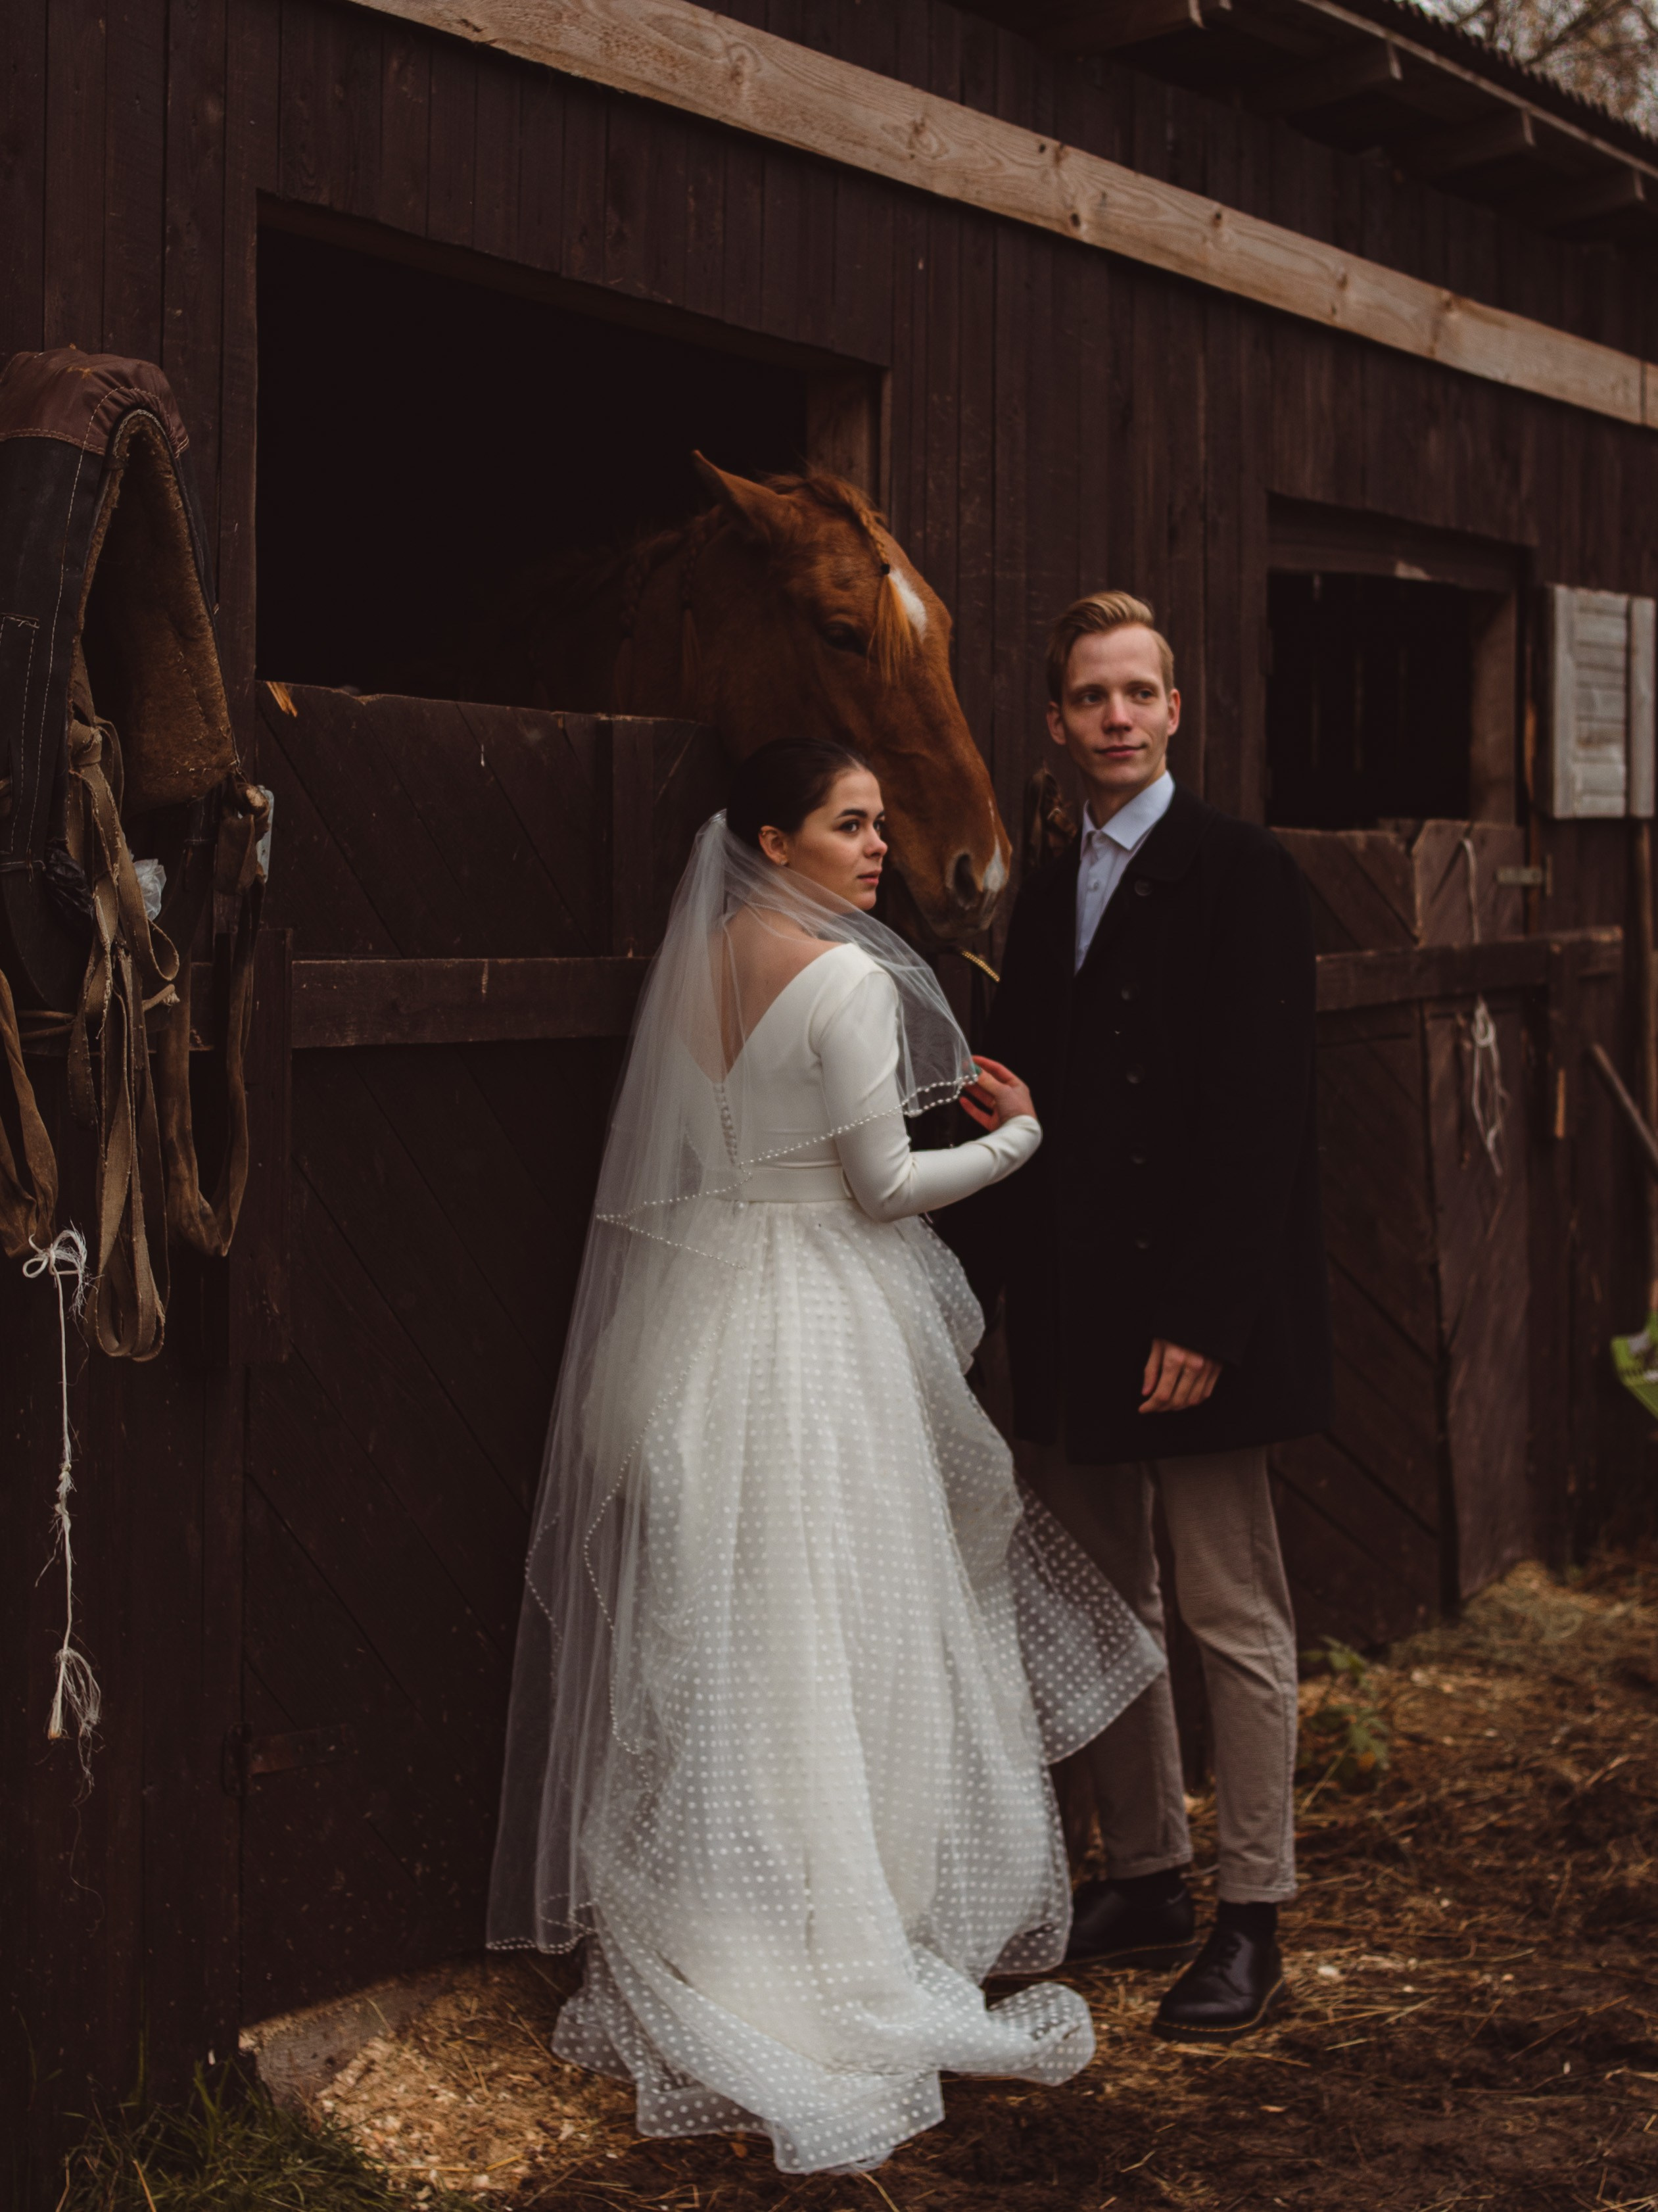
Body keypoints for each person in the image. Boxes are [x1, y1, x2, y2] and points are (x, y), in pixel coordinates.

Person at [488, 736, 1163, 2175]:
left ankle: (729, 1910)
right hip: (815, 1336)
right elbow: (880, 1186)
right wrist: (1024, 1134)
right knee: (847, 1629)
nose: (878, 846)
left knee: (731, 1626)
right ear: (772, 836)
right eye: (851, 824)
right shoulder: (847, 975)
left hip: (697, 1323)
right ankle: (837, 1931)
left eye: (876, 822)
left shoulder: (701, 955)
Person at [947, 593, 1331, 2046]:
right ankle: (1150, 1874)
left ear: (1178, 712)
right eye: (1089, 696)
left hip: (1194, 1317)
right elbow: (1046, 1095)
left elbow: (1262, 1111)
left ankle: (1253, 1915)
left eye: (1140, 693)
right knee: (1105, 1603)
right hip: (1074, 1311)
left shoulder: (1241, 871)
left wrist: (1208, 1316)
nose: (1116, 716)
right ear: (1054, 724)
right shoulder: (1048, 890)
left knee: (1234, 1610)